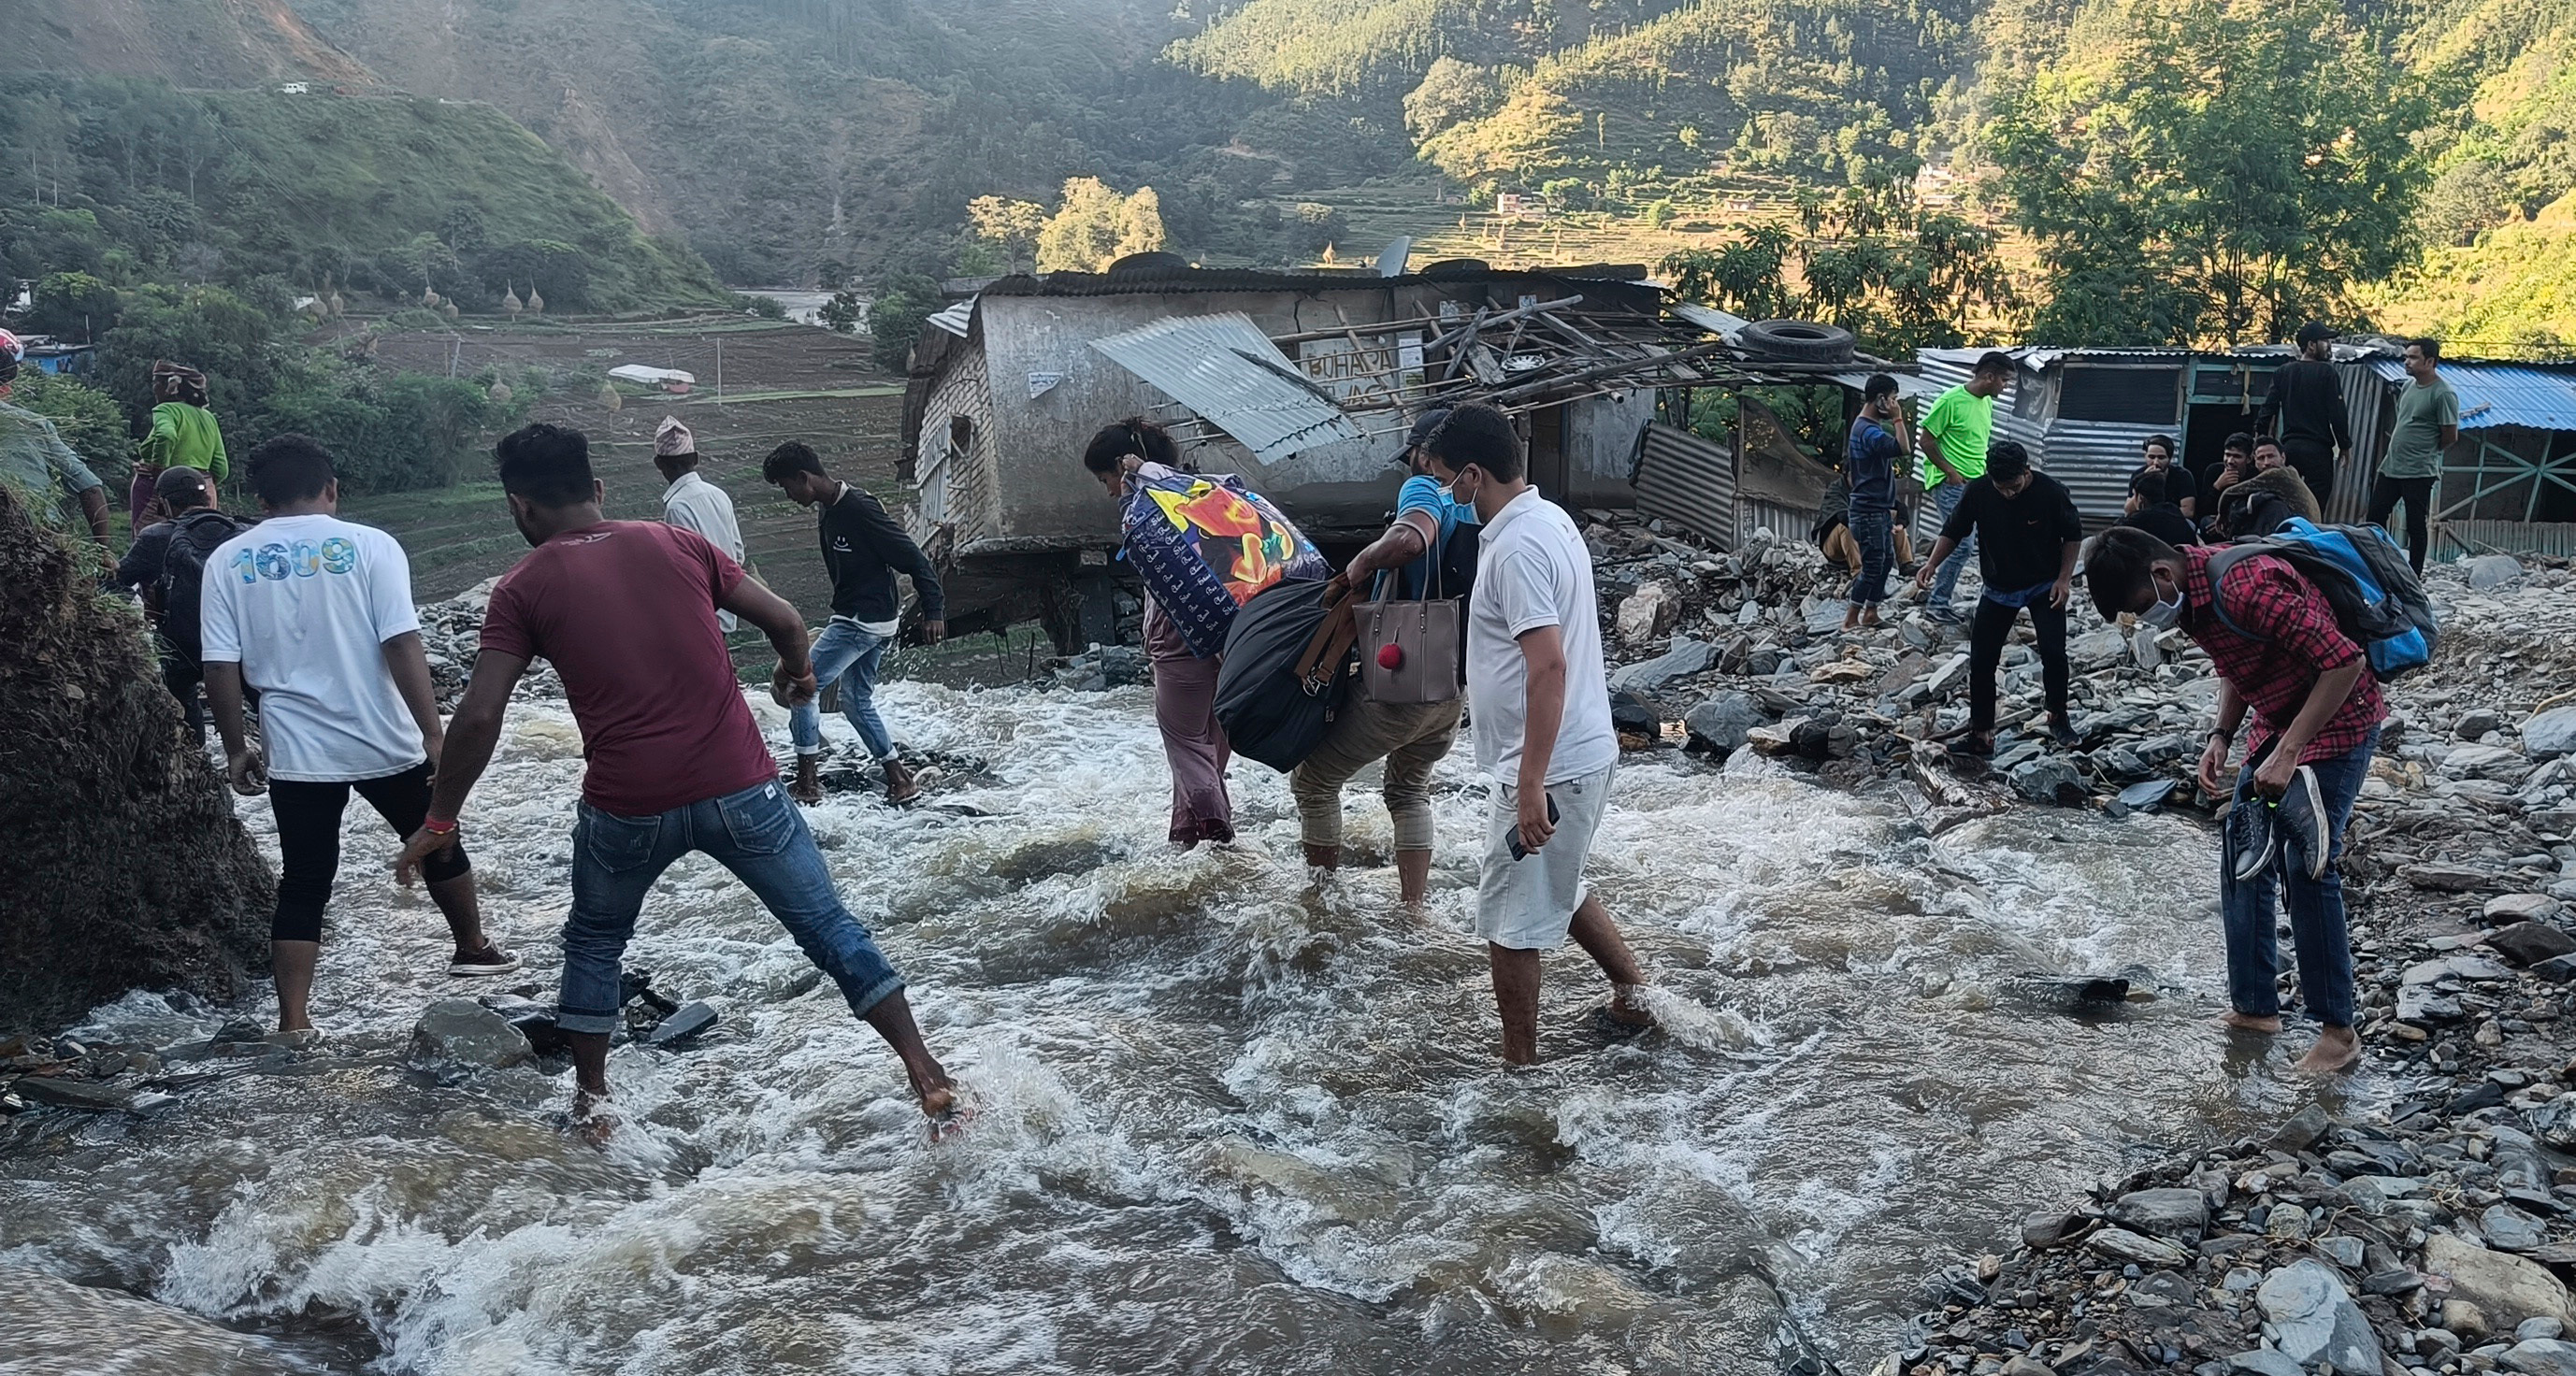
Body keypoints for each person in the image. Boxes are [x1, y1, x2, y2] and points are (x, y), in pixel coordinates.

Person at [392, 423, 956, 1136]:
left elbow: (477, 719)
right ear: (596, 490)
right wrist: (798, 674)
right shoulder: (679, 544)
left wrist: (439, 821)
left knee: (595, 942)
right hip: (742, 790)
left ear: (518, 508)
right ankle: (925, 1072)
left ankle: (594, 1104)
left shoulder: (521, 587)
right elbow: (785, 619)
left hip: (629, 807)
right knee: (827, 927)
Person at [199, 434, 518, 1041]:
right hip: (384, 739)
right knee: (438, 840)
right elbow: (401, 641)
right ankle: (472, 948)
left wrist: (237, 744)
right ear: (332, 489)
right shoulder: (371, 546)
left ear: (257, 498)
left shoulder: (228, 561)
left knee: (304, 878)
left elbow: (220, 663)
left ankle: (293, 1021)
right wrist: (433, 733)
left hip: (296, 749)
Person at [2085, 524, 2384, 1074]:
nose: (2143, 620)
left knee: (2307, 864)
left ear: (2160, 574)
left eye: (2138, 608)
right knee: (2243, 856)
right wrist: (2221, 736)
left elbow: (2345, 662)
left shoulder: (2247, 585)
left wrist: (2290, 751)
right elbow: (2235, 661)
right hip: (2276, 720)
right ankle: (2255, 1009)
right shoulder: (2192, 595)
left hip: (2338, 723)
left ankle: (2338, 1032)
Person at [1415, 404, 1650, 1063]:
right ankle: (1634, 997)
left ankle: (1518, 1069)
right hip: (1575, 749)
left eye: (1442, 480)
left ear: (1471, 475)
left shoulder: (1516, 546)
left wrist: (1528, 782)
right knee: (1558, 881)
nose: (1442, 495)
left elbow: (1547, 663)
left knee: (1511, 926)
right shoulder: (1547, 519)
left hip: (1550, 762)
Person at [1290, 408, 1476, 903]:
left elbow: (1410, 538)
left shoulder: (1424, 489)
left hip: (1402, 676)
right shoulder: (1483, 507)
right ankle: (1414, 908)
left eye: (1414, 457)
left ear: (1427, 454)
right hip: (1453, 686)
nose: (1410, 467)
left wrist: (1362, 562)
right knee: (1409, 791)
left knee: (1314, 780)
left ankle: (1321, 901)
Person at [762, 442, 945, 806]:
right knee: (855, 701)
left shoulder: (859, 508)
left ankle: (808, 784)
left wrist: (934, 608)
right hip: (865, 619)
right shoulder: (827, 509)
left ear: (805, 478)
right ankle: (900, 778)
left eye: (787, 486)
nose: (788, 495)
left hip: (862, 621)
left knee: (802, 688)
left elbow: (912, 557)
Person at [1082, 418, 1235, 848]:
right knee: (1208, 750)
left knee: (1186, 745)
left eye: (1107, 478)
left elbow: (1157, 486)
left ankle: (1218, 838)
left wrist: (1139, 472)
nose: (1110, 490)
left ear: (1124, 467)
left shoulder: (1157, 505)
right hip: (1227, 633)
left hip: (1178, 640)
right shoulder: (1207, 495)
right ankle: (1185, 837)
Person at [1911, 440, 2083, 754]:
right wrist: (1931, 563)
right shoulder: (1978, 492)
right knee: (1981, 660)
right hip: (1998, 587)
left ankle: (2058, 716)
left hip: (2044, 583)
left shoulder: (2051, 492)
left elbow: (2073, 535)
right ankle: (1981, 733)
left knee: (2054, 652)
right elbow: (1954, 530)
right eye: (2001, 488)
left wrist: (2063, 580)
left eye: (2014, 487)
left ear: (2026, 472)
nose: (2008, 493)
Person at [112, 466, 247, 736]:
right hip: (240, 642)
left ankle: (194, 754)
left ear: (164, 503)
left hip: (182, 646)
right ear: (208, 499)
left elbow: (117, 584)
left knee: (181, 699)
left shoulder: (155, 537)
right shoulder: (243, 532)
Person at [1914, 351, 2014, 624]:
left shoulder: (1986, 403)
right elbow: (1926, 440)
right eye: (2004, 381)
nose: (2005, 387)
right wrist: (1950, 472)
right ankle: (1937, 603)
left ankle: (1992, 598)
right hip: (1952, 484)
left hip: (1978, 481)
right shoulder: (1950, 401)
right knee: (1961, 544)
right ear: (1989, 377)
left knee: (1989, 539)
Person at [0, 334, 113, 546]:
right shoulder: (34, 425)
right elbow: (91, 489)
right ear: (7, 385)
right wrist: (103, 551)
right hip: (38, 540)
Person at [2367, 337, 2459, 576]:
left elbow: (2450, 435)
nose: (2407, 362)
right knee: (2375, 514)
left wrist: (2425, 450)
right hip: (2392, 465)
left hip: (2419, 469)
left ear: (2430, 361)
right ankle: (2376, 563)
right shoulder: (2408, 386)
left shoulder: (2443, 393)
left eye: (2413, 357)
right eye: (2406, 357)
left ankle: (2414, 575)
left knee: (2415, 523)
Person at [655, 416, 746, 633]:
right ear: (696, 458)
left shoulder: (677, 506)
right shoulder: (718, 494)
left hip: (703, 613)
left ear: (658, 463)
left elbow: (688, 569)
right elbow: (738, 553)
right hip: (727, 606)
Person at [2255, 323, 2351, 506]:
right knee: (2315, 506)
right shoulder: (2327, 372)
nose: (2329, 345)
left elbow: (2268, 408)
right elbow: (2338, 413)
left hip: (2290, 449)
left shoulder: (2284, 372)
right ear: (2311, 345)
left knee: (2288, 503)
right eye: (2325, 341)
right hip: (2318, 452)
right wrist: (2344, 445)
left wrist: (2260, 437)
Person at [1842, 374, 1909, 630]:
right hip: (1868, 511)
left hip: (1876, 510)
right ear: (1880, 399)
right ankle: (1850, 619)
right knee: (1872, 566)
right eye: (1892, 399)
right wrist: (1898, 418)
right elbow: (1902, 448)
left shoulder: (1867, 427)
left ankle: (1870, 612)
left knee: (1884, 562)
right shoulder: (1867, 431)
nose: (1894, 403)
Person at [135, 362, 228, 530]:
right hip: (204, 489)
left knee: (149, 543)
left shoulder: (166, 410)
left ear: (170, 386)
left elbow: (166, 435)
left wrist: (158, 471)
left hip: (162, 489)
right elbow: (221, 468)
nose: (154, 389)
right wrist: (202, 482)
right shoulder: (208, 418)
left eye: (156, 383)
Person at [2214, 437, 2321, 540]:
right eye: (2261, 458)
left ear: (2283, 457)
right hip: (2305, 532)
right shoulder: (2291, 471)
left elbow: (2229, 493)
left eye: (2271, 456)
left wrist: (2222, 515)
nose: (2267, 463)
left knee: (2272, 506)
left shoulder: (2277, 474)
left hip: (2300, 534)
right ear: (2255, 461)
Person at [2198, 433, 2256, 538]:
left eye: (2237, 456)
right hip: (2216, 521)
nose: (2230, 461)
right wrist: (2217, 487)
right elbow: (2202, 509)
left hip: (2243, 522)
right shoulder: (2214, 471)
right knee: (2206, 523)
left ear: (2248, 459)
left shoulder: (2254, 475)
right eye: (2227, 455)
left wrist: (2230, 519)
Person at [2124, 435, 2196, 521]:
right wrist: (2144, 481)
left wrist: (2158, 515)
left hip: (2172, 520)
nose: (2156, 462)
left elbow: (2188, 511)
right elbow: (2128, 511)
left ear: (2169, 459)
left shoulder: (2182, 476)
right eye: (2151, 457)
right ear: (2145, 456)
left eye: (2161, 457)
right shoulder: (2139, 474)